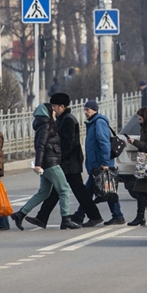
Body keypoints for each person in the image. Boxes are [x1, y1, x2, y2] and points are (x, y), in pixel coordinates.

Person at [26, 93, 103, 229]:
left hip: (70, 162)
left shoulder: (68, 120)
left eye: (55, 106)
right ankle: (42, 218)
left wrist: (58, 158)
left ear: (62, 106)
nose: (53, 109)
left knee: (77, 190)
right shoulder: (61, 119)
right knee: (59, 190)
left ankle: (94, 216)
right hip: (66, 161)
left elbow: (68, 144)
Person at [10, 104, 81, 231]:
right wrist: (38, 164)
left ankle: (20, 214)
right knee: (64, 189)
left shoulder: (44, 124)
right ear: (47, 113)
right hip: (50, 162)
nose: (54, 112)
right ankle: (66, 219)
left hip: (48, 162)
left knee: (43, 192)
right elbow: (40, 145)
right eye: (52, 110)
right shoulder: (46, 125)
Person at [71, 100, 125, 225]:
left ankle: (81, 215)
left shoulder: (98, 123)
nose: (85, 112)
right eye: (85, 110)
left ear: (94, 110)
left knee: (100, 190)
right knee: (104, 190)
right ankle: (116, 215)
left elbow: (104, 143)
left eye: (88, 110)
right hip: (96, 164)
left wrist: (105, 163)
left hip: (101, 164)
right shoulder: (93, 123)